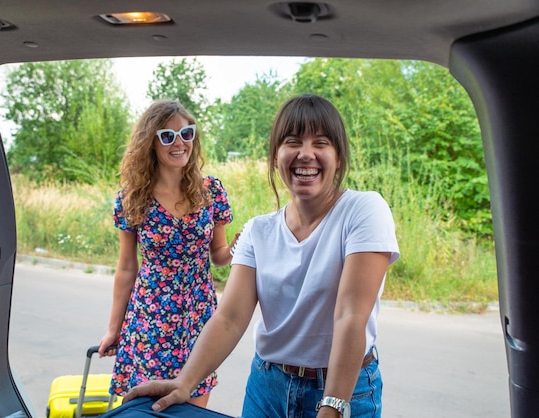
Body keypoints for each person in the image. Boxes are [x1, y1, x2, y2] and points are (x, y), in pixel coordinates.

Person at [121, 93, 400, 418]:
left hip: (346, 389)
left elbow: (351, 315)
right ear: (275, 156)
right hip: (267, 388)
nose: (306, 154)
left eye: (321, 142)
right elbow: (229, 318)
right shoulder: (259, 230)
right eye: (293, 142)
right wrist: (185, 382)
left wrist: (332, 405)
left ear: (338, 157)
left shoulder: (364, 210)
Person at [98, 99, 239, 408]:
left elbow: (218, 255)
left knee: (193, 404)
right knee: (147, 407)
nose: (179, 143)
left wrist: (235, 249)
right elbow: (126, 268)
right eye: (167, 136)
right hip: (150, 315)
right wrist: (114, 328)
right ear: (151, 142)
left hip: (199, 314)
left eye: (187, 133)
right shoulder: (132, 198)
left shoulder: (211, 190)